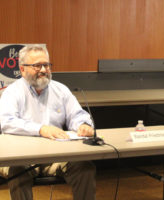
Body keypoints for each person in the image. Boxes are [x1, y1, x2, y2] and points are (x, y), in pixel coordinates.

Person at [0, 44, 97, 200]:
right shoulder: (12, 92)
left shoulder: (61, 90)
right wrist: (41, 129)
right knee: (17, 171)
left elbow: (77, 114)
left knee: (84, 167)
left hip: (56, 155)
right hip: (22, 156)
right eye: (37, 66)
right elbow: (7, 122)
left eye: (46, 65)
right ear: (22, 69)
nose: (44, 70)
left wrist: (83, 125)